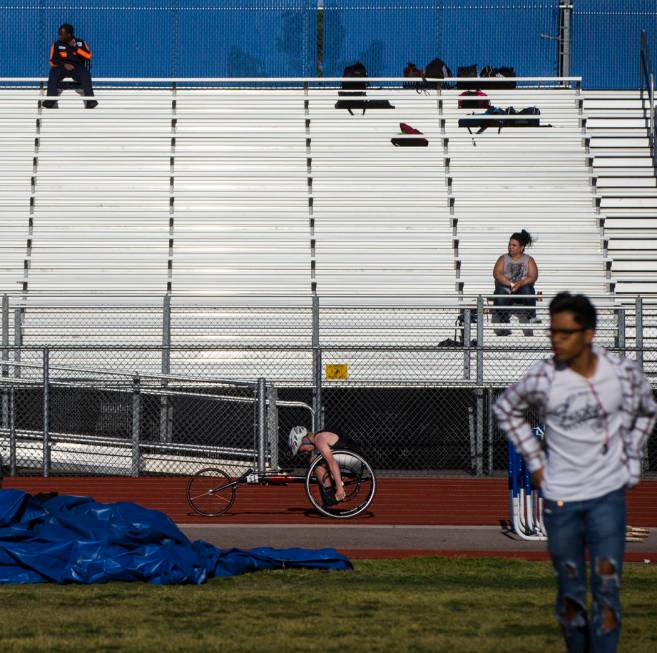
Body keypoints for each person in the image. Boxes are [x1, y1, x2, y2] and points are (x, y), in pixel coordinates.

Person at [494, 292, 657, 653]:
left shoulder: (620, 372)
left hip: (607, 498)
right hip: (561, 499)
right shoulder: (545, 373)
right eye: (553, 332)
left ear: (589, 333)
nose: (557, 340)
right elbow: (506, 409)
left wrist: (630, 456)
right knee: (570, 595)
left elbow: (647, 409)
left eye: (566, 333)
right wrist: (535, 461)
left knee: (606, 588)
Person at [288, 426, 362, 505]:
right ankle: (329, 495)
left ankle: (331, 497)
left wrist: (340, 488)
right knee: (315, 460)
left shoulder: (319, 439)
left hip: (354, 462)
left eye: (300, 450)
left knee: (315, 462)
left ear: (304, 440)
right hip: (352, 459)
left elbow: (332, 463)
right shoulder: (320, 436)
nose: (304, 452)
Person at [492, 229, 539, 336]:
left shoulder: (529, 259)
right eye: (509, 244)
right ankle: (504, 321)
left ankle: (531, 317)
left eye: (514, 245)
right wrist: (511, 284)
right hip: (507, 289)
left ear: (521, 248)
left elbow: (533, 276)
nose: (510, 247)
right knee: (499, 293)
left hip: (522, 290)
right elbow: (497, 274)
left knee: (528, 289)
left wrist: (520, 284)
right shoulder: (503, 258)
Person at [44, 24, 97, 109]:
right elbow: (52, 60)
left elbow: (88, 56)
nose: (59, 35)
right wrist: (64, 64)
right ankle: (50, 100)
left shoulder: (80, 43)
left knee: (85, 74)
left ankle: (90, 101)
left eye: (61, 34)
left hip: (77, 68)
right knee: (53, 72)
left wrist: (75, 48)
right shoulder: (56, 44)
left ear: (69, 35)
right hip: (62, 67)